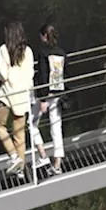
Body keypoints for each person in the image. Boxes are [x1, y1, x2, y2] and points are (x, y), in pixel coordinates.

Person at [0, 21, 37, 178]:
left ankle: (14, 156)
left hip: (8, 94)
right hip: (23, 95)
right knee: (20, 133)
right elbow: (30, 74)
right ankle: (21, 170)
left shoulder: (4, 49)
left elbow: (3, 73)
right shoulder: (28, 51)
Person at [36, 22, 67, 174]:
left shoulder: (42, 53)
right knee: (56, 128)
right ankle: (57, 163)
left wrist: (42, 99)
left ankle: (42, 155)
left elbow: (42, 75)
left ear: (45, 36)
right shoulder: (61, 52)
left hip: (46, 94)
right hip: (58, 93)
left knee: (32, 123)